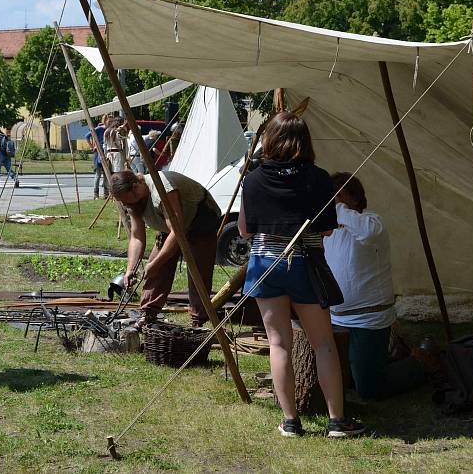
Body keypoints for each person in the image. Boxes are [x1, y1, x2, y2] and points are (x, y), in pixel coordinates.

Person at [238, 110, 365, 438]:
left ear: (269, 139)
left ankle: (291, 422)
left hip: (266, 265)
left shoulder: (252, 179)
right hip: (306, 265)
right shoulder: (319, 178)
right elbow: (326, 231)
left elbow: (245, 230)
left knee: (279, 344)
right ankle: (337, 421)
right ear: (304, 141)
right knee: (323, 343)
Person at [324, 173, 429, 400]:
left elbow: (368, 232)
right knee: (344, 381)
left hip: (367, 320)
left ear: (355, 198)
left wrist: (338, 208)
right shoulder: (329, 230)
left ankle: (421, 363)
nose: (332, 202)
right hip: (335, 318)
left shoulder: (371, 221)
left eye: (339, 196)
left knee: (370, 389)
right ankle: (390, 357)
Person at [112, 169, 220, 327]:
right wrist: (130, 269)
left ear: (136, 185)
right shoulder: (130, 199)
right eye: (127, 202)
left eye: (131, 200)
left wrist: (155, 265)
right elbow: (136, 237)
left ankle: (198, 321)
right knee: (156, 268)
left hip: (200, 220)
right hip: (171, 229)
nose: (130, 204)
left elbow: (177, 231)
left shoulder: (163, 189)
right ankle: (148, 315)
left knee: (198, 273)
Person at [86, 116, 109, 198]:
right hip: (98, 153)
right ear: (105, 121)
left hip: (107, 154)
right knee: (98, 174)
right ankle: (96, 194)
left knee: (107, 175)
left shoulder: (110, 130)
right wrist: (92, 147)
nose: (110, 122)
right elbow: (87, 136)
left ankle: (106, 194)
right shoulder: (99, 129)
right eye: (109, 121)